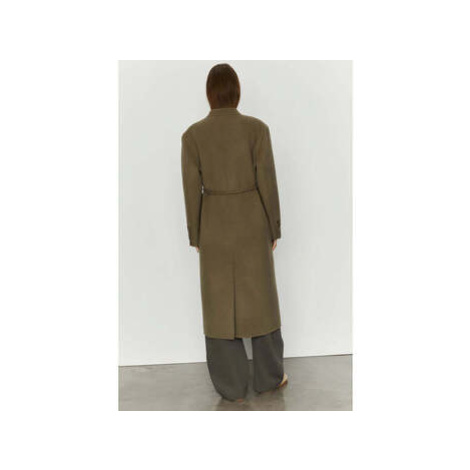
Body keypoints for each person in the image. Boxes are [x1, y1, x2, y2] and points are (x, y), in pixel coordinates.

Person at [181, 63, 287, 402]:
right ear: (237, 92)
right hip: (252, 222)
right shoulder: (257, 130)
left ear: (209, 94)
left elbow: (191, 190)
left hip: (213, 224)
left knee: (219, 304)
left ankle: (231, 387)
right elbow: (267, 182)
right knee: (262, 300)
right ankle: (269, 378)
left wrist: (196, 234)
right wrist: (274, 227)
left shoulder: (193, 136)